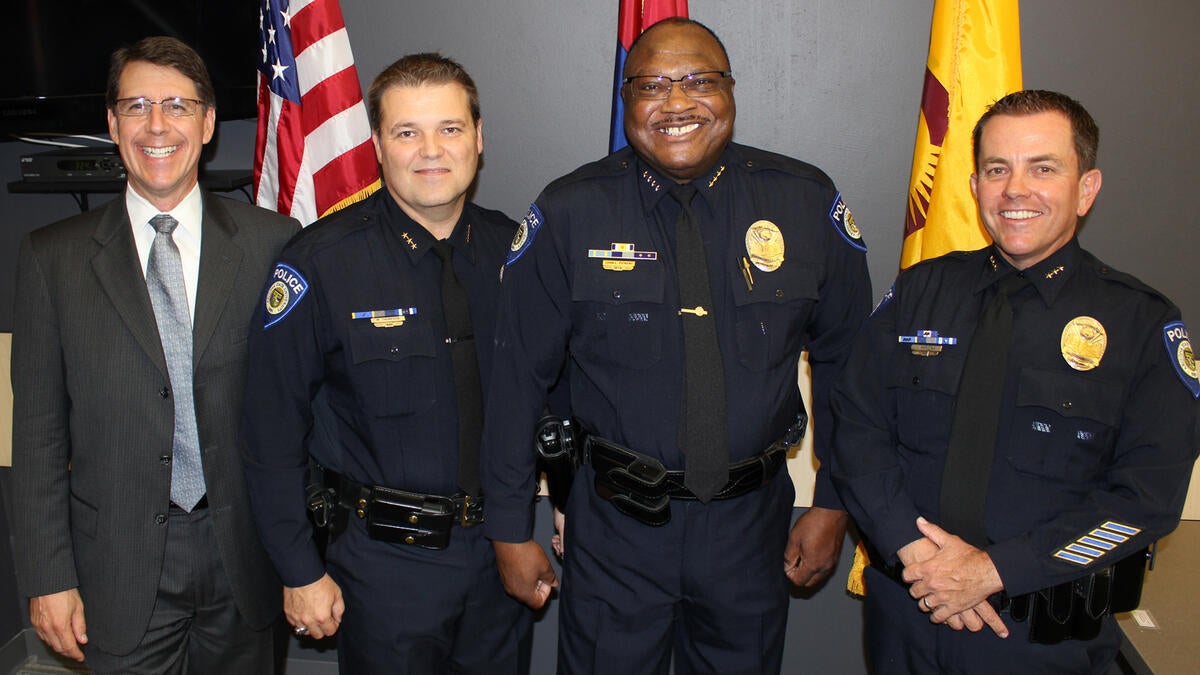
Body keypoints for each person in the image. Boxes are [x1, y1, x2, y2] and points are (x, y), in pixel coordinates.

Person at [483, 18, 872, 673]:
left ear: (731, 91)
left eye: (699, 81)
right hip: (616, 529)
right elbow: (518, 377)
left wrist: (834, 501)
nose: (678, 102)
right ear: (626, 100)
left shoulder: (804, 202)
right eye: (653, 85)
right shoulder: (571, 210)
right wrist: (508, 525)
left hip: (751, 528)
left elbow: (851, 369)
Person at [830, 89, 1199, 673]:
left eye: (1043, 169)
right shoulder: (920, 291)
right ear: (975, 187)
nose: (1015, 190)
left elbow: (1145, 501)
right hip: (908, 614)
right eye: (997, 169)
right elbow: (856, 429)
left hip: (1040, 634)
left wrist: (994, 571)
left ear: (1087, 190)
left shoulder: (1141, 322)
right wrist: (915, 552)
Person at [9, 36, 299, 673]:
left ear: (208, 120)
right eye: (137, 106)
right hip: (114, 566)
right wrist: (46, 575)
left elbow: (301, 412)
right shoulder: (49, 258)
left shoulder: (273, 244)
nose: (158, 125)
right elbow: (34, 434)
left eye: (177, 105)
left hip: (245, 559)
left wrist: (305, 556)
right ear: (112, 124)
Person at [240, 53, 533, 674]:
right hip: (381, 570)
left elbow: (549, 395)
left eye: (450, 128)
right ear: (377, 145)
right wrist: (299, 569)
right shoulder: (319, 263)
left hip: (499, 555)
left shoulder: (517, 256)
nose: (431, 149)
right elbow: (269, 434)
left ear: (479, 138)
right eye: (407, 132)